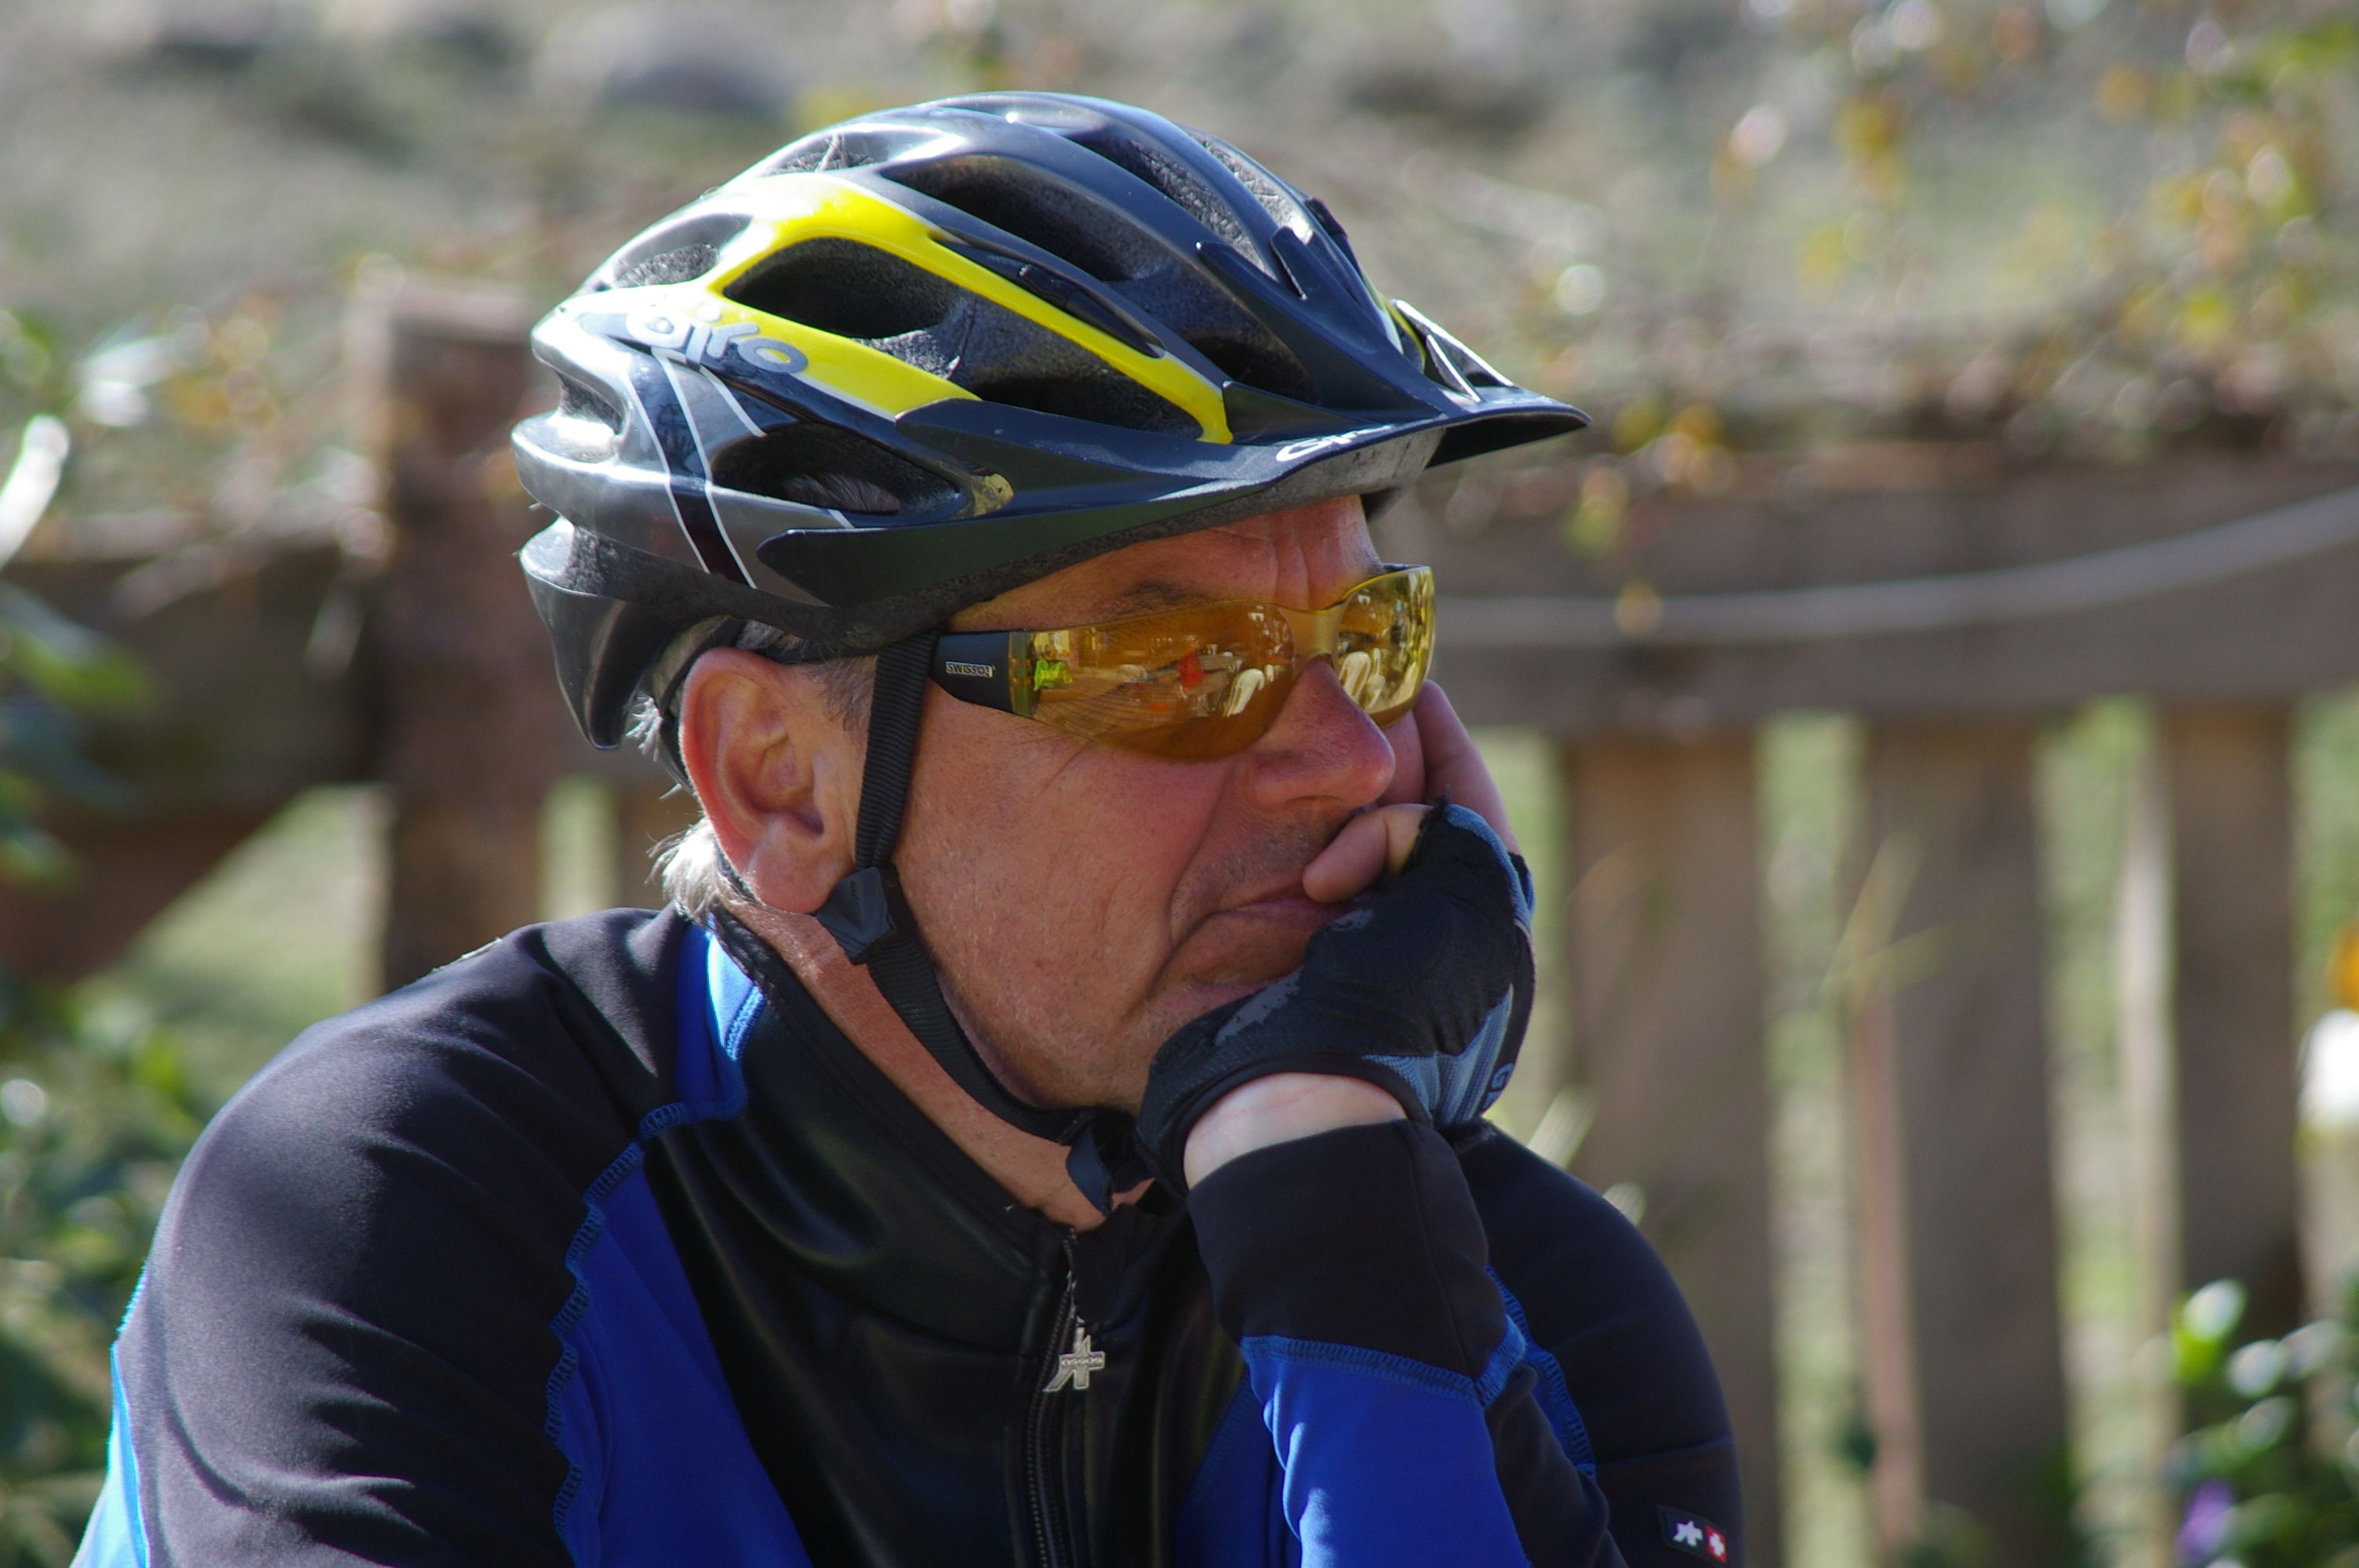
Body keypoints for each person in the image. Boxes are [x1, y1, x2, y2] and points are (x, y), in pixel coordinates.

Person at [73, 93, 1739, 1567]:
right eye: (1176, 664)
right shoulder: (408, 1213)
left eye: (1368, 636)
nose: (1347, 760)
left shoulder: (1513, 1291)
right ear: (781, 779)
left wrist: (1331, 1216)